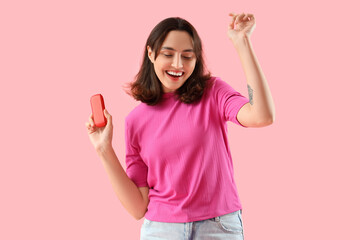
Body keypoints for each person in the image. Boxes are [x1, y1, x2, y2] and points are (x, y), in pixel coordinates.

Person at [85, 12, 275, 240]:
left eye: (187, 56)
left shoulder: (213, 92)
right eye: (168, 54)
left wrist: (242, 42)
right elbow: (137, 208)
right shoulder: (135, 121)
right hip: (161, 230)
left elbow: (261, 116)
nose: (178, 65)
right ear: (151, 53)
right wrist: (104, 149)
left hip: (218, 226)